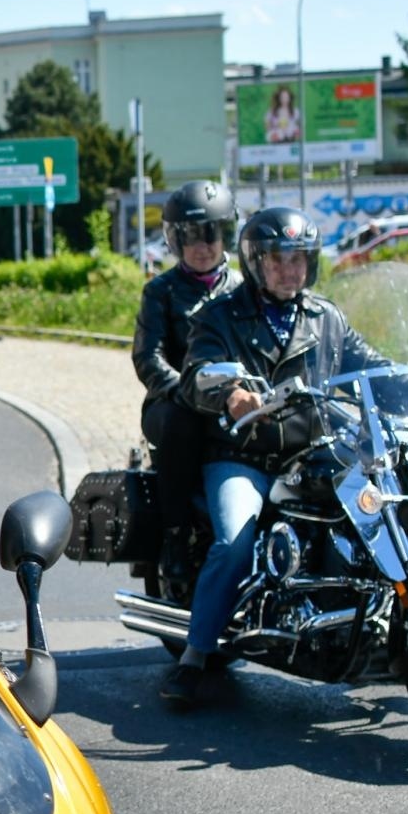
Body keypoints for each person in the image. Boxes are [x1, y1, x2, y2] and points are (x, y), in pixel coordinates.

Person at [166, 206, 390, 706]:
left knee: (387, 508)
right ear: (255, 262)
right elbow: (196, 371)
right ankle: (194, 657)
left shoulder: (325, 317)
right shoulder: (221, 315)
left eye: (300, 259)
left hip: (314, 453)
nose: (291, 269)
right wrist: (231, 394)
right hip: (244, 457)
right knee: (234, 541)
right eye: (279, 259)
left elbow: (372, 366)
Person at [132, 180, 242, 581]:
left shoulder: (244, 288)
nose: (202, 245)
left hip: (235, 397)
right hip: (173, 402)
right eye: (191, 236)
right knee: (183, 423)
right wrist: (186, 390)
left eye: (210, 233)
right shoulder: (160, 291)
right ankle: (175, 536)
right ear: (175, 240)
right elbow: (147, 356)